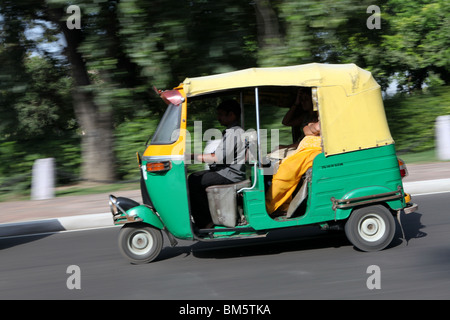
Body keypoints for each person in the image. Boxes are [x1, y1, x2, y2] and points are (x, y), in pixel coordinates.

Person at [188, 99, 246, 228]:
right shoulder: (231, 132)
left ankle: (206, 222)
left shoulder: (235, 132)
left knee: (193, 181)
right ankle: (206, 218)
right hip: (224, 171)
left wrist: (191, 156)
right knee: (194, 178)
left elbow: (217, 157)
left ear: (231, 115)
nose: (218, 118)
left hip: (229, 174)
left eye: (221, 114)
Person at [265, 120, 321, 215]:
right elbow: (308, 130)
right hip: (306, 150)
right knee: (280, 163)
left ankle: (270, 205)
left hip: (316, 151)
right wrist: (311, 128)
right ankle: (282, 204)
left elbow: (315, 128)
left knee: (286, 169)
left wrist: (310, 126)